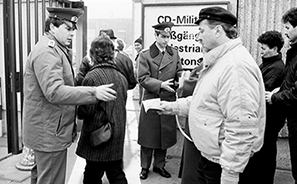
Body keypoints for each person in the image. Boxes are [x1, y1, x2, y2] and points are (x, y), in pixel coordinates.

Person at [160, 7, 266, 184]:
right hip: (212, 158)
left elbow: (240, 125)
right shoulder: (221, 60)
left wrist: (230, 174)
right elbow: (207, 102)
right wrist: (173, 107)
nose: (198, 37)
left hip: (223, 166)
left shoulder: (235, 67)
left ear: (217, 30)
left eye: (201, 30)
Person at [22, 7, 117, 184]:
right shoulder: (47, 52)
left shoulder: (54, 48)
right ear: (52, 27)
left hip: (47, 129)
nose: (72, 33)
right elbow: (54, 91)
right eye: (67, 28)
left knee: (42, 177)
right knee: (51, 180)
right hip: (49, 133)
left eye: (73, 28)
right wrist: (93, 92)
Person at [75, 34, 128, 184]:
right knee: (115, 171)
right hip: (117, 131)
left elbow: (86, 111)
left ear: (93, 55)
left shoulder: (92, 77)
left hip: (98, 134)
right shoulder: (121, 77)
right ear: (112, 55)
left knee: (92, 174)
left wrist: (78, 110)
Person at [137, 21, 183, 180]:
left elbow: (179, 72)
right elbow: (142, 78)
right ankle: (144, 167)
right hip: (152, 99)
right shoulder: (145, 55)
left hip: (168, 98)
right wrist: (160, 84)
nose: (165, 40)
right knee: (148, 136)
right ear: (155, 36)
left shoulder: (174, 53)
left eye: (168, 37)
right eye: (162, 36)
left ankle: (159, 165)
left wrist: (178, 83)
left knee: (164, 135)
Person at [243, 30, 285, 183]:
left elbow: (262, 92)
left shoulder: (276, 68)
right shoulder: (269, 63)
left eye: (264, 48)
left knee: (265, 153)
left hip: (269, 119)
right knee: (264, 152)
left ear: (274, 49)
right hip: (267, 118)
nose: (261, 51)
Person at [265, 7, 297, 183]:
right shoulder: (294, 52)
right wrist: (281, 90)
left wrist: (274, 97)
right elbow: (292, 81)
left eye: (287, 27)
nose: (285, 32)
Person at [134, 36, 144, 105]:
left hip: (141, 78)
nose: (136, 47)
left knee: (142, 96)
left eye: (138, 45)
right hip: (139, 79)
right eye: (135, 45)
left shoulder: (142, 54)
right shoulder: (139, 54)